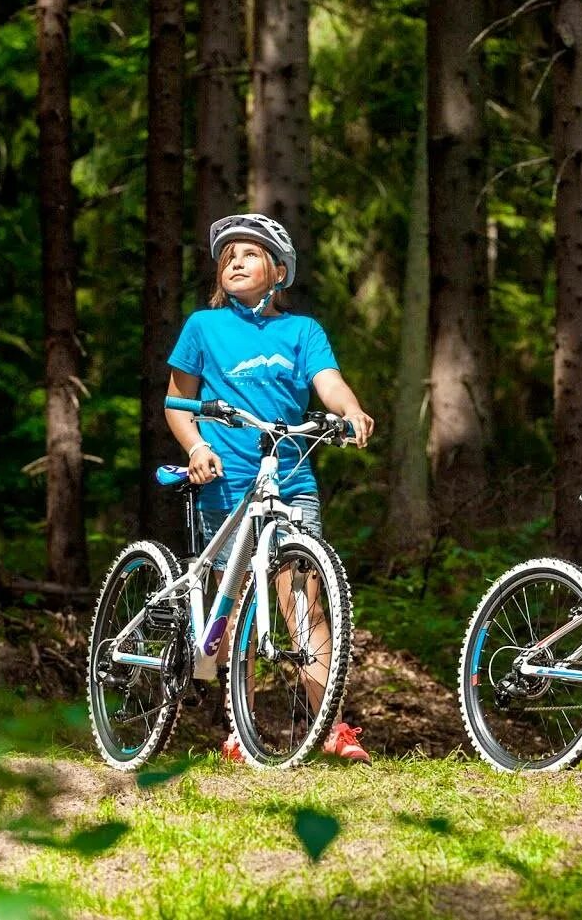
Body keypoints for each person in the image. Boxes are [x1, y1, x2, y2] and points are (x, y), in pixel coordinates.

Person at [165, 213, 376, 764]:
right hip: (225, 481)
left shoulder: (301, 331)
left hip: (291, 478)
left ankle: (329, 724)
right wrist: (196, 448)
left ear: (278, 271)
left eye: (250, 253)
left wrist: (350, 410)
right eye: (228, 254)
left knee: (301, 604)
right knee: (235, 608)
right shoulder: (202, 327)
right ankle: (241, 728)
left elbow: (327, 384)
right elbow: (176, 402)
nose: (234, 260)